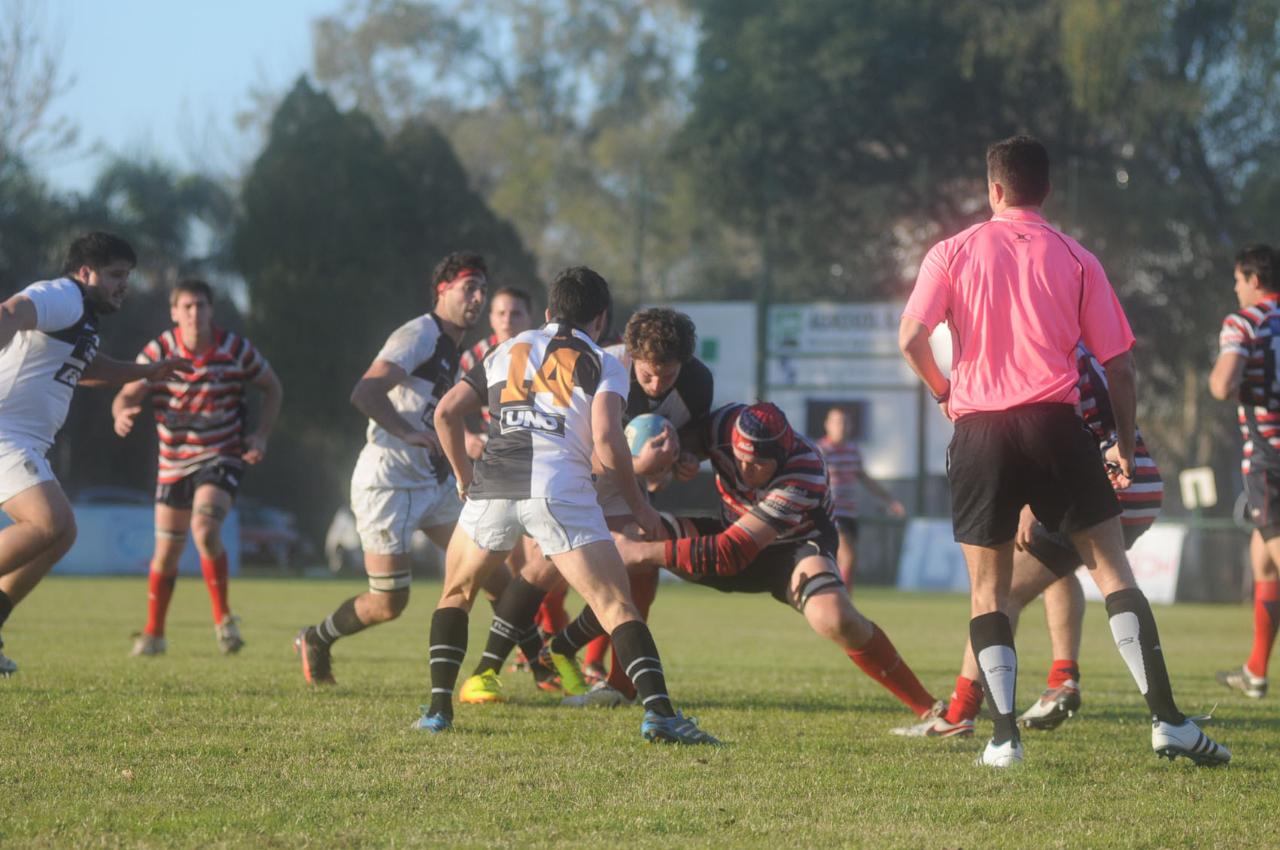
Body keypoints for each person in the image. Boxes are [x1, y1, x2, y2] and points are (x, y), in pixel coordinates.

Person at [898, 134, 1227, 767]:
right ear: (1045, 190)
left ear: (994, 188)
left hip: (980, 431)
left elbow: (911, 337)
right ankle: (1168, 722)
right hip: (1056, 425)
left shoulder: (951, 251)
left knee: (988, 593)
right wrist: (1124, 443)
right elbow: (1120, 365)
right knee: (1113, 574)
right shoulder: (1078, 257)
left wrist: (945, 392)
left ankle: (1003, 739)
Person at [418, 266, 719, 745]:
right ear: (600, 319)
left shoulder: (505, 349)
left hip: (492, 488)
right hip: (557, 488)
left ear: (547, 311)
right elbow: (608, 441)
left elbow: (445, 413)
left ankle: (438, 711)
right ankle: (660, 715)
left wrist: (463, 477)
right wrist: (641, 507)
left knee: (456, 594)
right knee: (615, 604)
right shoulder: (602, 361)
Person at [590, 401, 938, 720]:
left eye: (758, 463)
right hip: (732, 530)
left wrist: (639, 553)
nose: (745, 468)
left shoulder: (805, 469)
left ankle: (929, 709)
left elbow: (732, 552)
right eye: (740, 457)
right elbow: (684, 445)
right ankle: (618, 683)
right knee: (637, 532)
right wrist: (675, 461)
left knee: (835, 618)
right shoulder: (724, 425)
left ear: (781, 457)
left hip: (791, 550)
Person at [892, 344, 1164, 737]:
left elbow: (1062, 428)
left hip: (1104, 482)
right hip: (1139, 480)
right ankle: (1063, 681)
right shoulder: (1076, 344)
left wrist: (1034, 503)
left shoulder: (1044, 349)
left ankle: (960, 714)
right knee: (1053, 570)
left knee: (1000, 595)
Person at [293, 252, 489, 685]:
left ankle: (528, 666)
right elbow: (365, 392)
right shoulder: (420, 333)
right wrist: (407, 432)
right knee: (389, 602)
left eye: (482, 290)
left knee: (491, 568)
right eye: (469, 288)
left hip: (431, 484)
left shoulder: (455, 348)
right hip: (388, 483)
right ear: (442, 290)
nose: (477, 298)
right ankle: (316, 638)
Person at [0, 232, 189, 676]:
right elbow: (9, 312)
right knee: (49, 522)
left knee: (62, 533)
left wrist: (148, 371)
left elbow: (90, 367)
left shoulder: (80, 318)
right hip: (5, 434)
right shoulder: (63, 295)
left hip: (22, 440)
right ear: (85, 273)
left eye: (127, 276)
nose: (124, 285)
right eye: (116, 275)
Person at [115, 279, 283, 657]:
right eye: (187, 307)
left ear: (211, 310)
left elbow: (273, 387)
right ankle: (154, 634)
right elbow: (126, 393)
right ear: (174, 313)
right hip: (173, 463)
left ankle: (224, 621)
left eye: (201, 306)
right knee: (166, 552)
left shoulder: (234, 349)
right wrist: (121, 413)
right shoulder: (159, 351)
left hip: (221, 454)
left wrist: (260, 436)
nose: (195, 313)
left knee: (205, 529)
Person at [1209, 244, 1280, 699]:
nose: (1236, 289)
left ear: (1254, 280)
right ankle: (1256, 670)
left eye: (1238, 280)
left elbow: (1222, 384)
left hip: (1270, 461)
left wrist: (1230, 381)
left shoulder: (1245, 322)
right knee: (1263, 558)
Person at [815, 405, 906, 587]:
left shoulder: (852, 450)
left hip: (849, 512)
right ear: (827, 425)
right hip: (830, 512)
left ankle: (838, 596)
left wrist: (889, 500)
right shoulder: (822, 450)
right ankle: (840, 598)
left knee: (847, 560)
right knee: (847, 556)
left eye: (844, 422)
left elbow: (864, 477)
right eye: (837, 422)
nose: (841, 426)